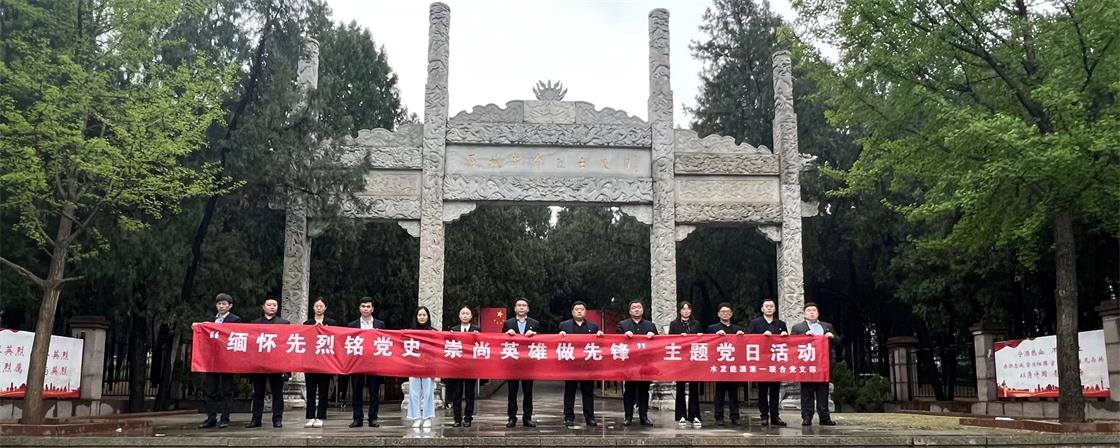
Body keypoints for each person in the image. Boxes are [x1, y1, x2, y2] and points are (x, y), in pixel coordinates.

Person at [790, 302, 839, 426]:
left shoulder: (827, 326)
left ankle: (824, 417)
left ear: (818, 313)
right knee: (807, 392)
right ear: (804, 314)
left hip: (823, 365)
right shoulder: (798, 328)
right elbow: (791, 344)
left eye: (814, 310)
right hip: (806, 365)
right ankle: (807, 417)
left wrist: (832, 336)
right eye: (809, 310)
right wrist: (803, 336)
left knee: (823, 392)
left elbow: (838, 342)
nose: (812, 312)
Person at [196, 293, 241, 429]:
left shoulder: (235, 320)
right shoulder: (210, 321)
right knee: (210, 389)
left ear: (230, 306)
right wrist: (197, 326)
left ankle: (225, 418)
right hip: (212, 359)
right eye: (219, 304)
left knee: (227, 389)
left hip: (227, 359)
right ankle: (211, 418)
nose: (221, 306)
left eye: (224, 304)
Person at [557, 301, 603, 427]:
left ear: (585, 311)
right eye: (576, 309)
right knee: (569, 392)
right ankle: (568, 417)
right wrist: (559, 335)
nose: (579, 311)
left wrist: (600, 336)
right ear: (572, 312)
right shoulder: (564, 325)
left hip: (587, 365)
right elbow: (557, 344)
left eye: (582, 309)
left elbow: (599, 345)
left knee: (588, 392)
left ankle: (590, 417)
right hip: (570, 365)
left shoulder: (593, 327)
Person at [247, 297, 290, 428]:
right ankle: (256, 419)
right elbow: (251, 346)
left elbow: (287, 346)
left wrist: (287, 369)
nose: (272, 307)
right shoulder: (255, 324)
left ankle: (277, 419)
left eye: (274, 305)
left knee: (277, 393)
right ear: (263, 307)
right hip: (259, 364)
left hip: (277, 364)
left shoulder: (284, 323)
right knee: (258, 393)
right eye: (269, 305)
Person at [746, 298, 788, 426]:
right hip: (761, 362)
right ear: (762, 309)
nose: (769, 308)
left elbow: (787, 343)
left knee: (775, 391)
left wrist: (785, 335)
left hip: (776, 361)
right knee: (762, 391)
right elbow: (749, 339)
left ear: (775, 309)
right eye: (767, 306)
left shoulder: (780, 324)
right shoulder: (755, 323)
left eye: (771, 306)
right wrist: (762, 337)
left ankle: (775, 416)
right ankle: (764, 416)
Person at [617, 299, 657, 426]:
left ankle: (643, 416)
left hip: (645, 365)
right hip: (629, 365)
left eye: (639, 307)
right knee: (629, 390)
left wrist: (653, 335)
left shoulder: (650, 326)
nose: (636, 309)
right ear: (630, 311)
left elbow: (658, 344)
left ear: (643, 310)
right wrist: (623, 335)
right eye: (634, 307)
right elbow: (615, 342)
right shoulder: (623, 325)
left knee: (644, 391)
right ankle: (628, 416)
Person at [347, 296, 385, 428]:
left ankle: (373, 418)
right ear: (359, 308)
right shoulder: (352, 325)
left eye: (368, 306)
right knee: (356, 391)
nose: (366, 309)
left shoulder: (380, 324)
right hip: (357, 362)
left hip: (374, 362)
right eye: (363, 306)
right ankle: (357, 418)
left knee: (374, 392)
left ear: (372, 309)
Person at [502, 297, 540, 427]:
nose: (521, 307)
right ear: (515, 308)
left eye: (524, 305)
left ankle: (527, 418)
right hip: (513, 363)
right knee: (512, 392)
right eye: (519, 305)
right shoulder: (508, 323)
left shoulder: (535, 323)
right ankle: (512, 417)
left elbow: (542, 342)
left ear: (528, 309)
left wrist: (534, 334)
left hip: (528, 363)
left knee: (528, 392)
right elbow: (500, 341)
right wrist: (506, 334)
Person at [707, 302, 745, 426]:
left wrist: (742, 337)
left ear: (731, 314)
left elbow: (744, 346)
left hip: (733, 365)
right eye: (723, 312)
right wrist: (715, 336)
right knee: (720, 393)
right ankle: (719, 416)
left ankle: (735, 416)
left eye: (727, 312)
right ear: (718, 314)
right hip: (719, 365)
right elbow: (706, 343)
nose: (725, 314)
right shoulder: (712, 328)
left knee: (734, 393)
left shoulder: (738, 329)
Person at [668, 300, 703, 428]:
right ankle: (681, 415)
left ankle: (694, 415)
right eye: (683, 309)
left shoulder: (696, 323)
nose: (686, 311)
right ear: (680, 311)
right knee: (680, 388)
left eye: (688, 309)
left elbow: (702, 340)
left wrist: (699, 336)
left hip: (693, 360)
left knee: (694, 388)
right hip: (680, 360)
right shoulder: (674, 324)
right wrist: (679, 337)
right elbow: (670, 340)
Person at [302, 298, 336, 428]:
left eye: (321, 306)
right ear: (313, 307)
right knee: (310, 391)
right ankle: (310, 417)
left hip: (325, 363)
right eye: (316, 306)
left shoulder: (331, 323)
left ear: (325, 308)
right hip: (310, 362)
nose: (319, 308)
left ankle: (321, 416)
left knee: (323, 391)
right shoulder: (307, 324)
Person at [446, 305, 480, 427]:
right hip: (457, 367)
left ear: (471, 316)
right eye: (463, 313)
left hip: (471, 367)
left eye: (467, 313)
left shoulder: (476, 329)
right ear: (459, 316)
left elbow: (481, 346)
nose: (465, 315)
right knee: (457, 393)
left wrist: (478, 336)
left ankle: (468, 418)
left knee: (470, 393)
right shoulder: (454, 329)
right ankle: (457, 418)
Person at [407, 306, 437, 429]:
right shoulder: (409, 332)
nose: (422, 317)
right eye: (420, 315)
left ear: (428, 317)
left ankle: (427, 417)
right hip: (413, 366)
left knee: (428, 392)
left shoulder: (434, 332)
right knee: (414, 393)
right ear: (416, 317)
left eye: (424, 315)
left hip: (428, 366)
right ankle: (416, 417)